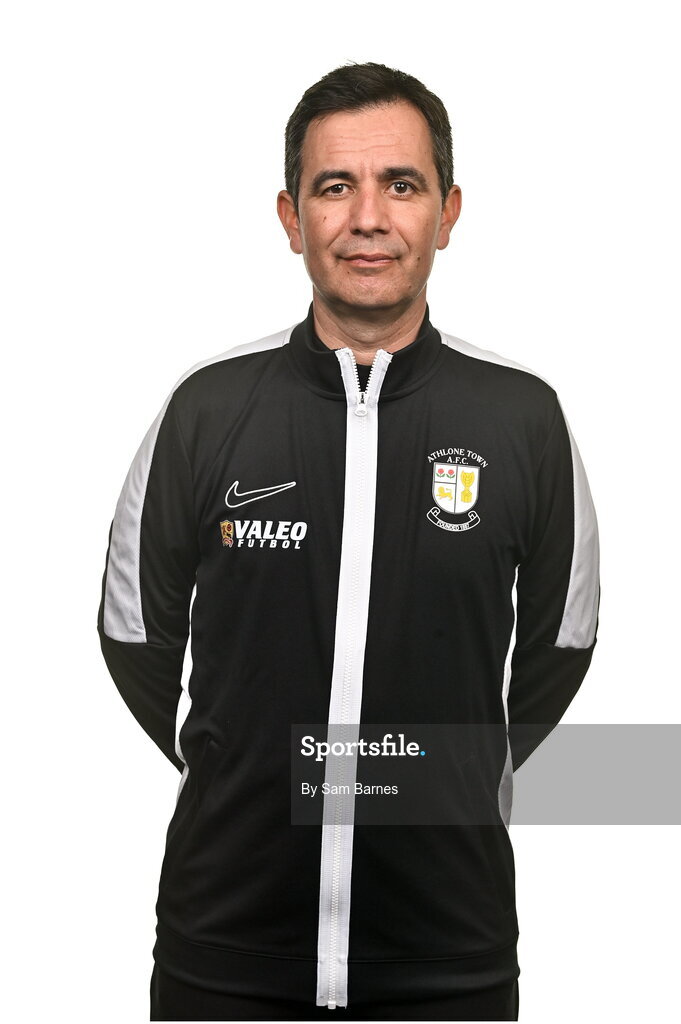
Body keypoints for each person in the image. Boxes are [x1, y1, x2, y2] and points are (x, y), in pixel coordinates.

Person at [97, 61, 600, 1021]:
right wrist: (247, 770)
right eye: (335, 186)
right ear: (290, 217)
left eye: (400, 185)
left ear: (448, 211)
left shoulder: (522, 420)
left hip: (447, 957)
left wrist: (428, 778)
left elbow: (556, 652)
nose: (368, 217)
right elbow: (133, 638)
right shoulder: (206, 411)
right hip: (226, 954)